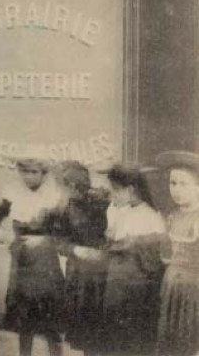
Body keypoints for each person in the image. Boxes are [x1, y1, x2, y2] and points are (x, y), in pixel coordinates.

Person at [0, 149, 66, 356]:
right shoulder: (13, 191)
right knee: (25, 318)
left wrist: (45, 240)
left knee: (50, 319)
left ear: (43, 173)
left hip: (45, 262)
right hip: (21, 260)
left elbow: (64, 231)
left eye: (34, 172)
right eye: (25, 172)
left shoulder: (54, 195)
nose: (29, 176)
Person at [98, 164, 166, 356]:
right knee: (114, 338)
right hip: (116, 284)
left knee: (133, 339)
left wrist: (133, 245)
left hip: (136, 288)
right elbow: (112, 242)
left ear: (130, 190)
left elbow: (155, 259)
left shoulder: (151, 216)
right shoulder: (119, 211)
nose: (113, 196)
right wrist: (110, 237)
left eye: (116, 191)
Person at [56, 161, 109, 356]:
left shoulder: (103, 203)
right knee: (84, 331)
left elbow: (113, 234)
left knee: (101, 331)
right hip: (78, 274)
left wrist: (102, 250)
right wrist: (75, 249)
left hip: (102, 273)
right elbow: (58, 240)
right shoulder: (65, 207)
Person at [155, 151, 199, 356]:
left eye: (184, 184)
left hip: (194, 292)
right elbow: (166, 256)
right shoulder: (172, 217)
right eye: (173, 183)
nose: (176, 190)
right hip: (172, 288)